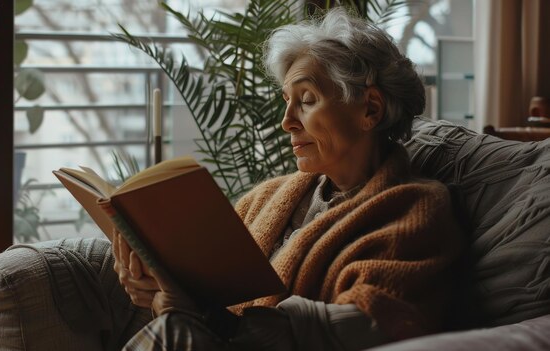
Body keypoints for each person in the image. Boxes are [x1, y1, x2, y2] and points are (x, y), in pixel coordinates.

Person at [113, 7, 463, 351]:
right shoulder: (265, 198)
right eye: (286, 101)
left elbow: (369, 324)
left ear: (370, 109)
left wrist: (189, 313)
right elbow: (203, 305)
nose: (287, 122)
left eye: (307, 100)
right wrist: (161, 292)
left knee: (174, 331)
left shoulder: (414, 209)